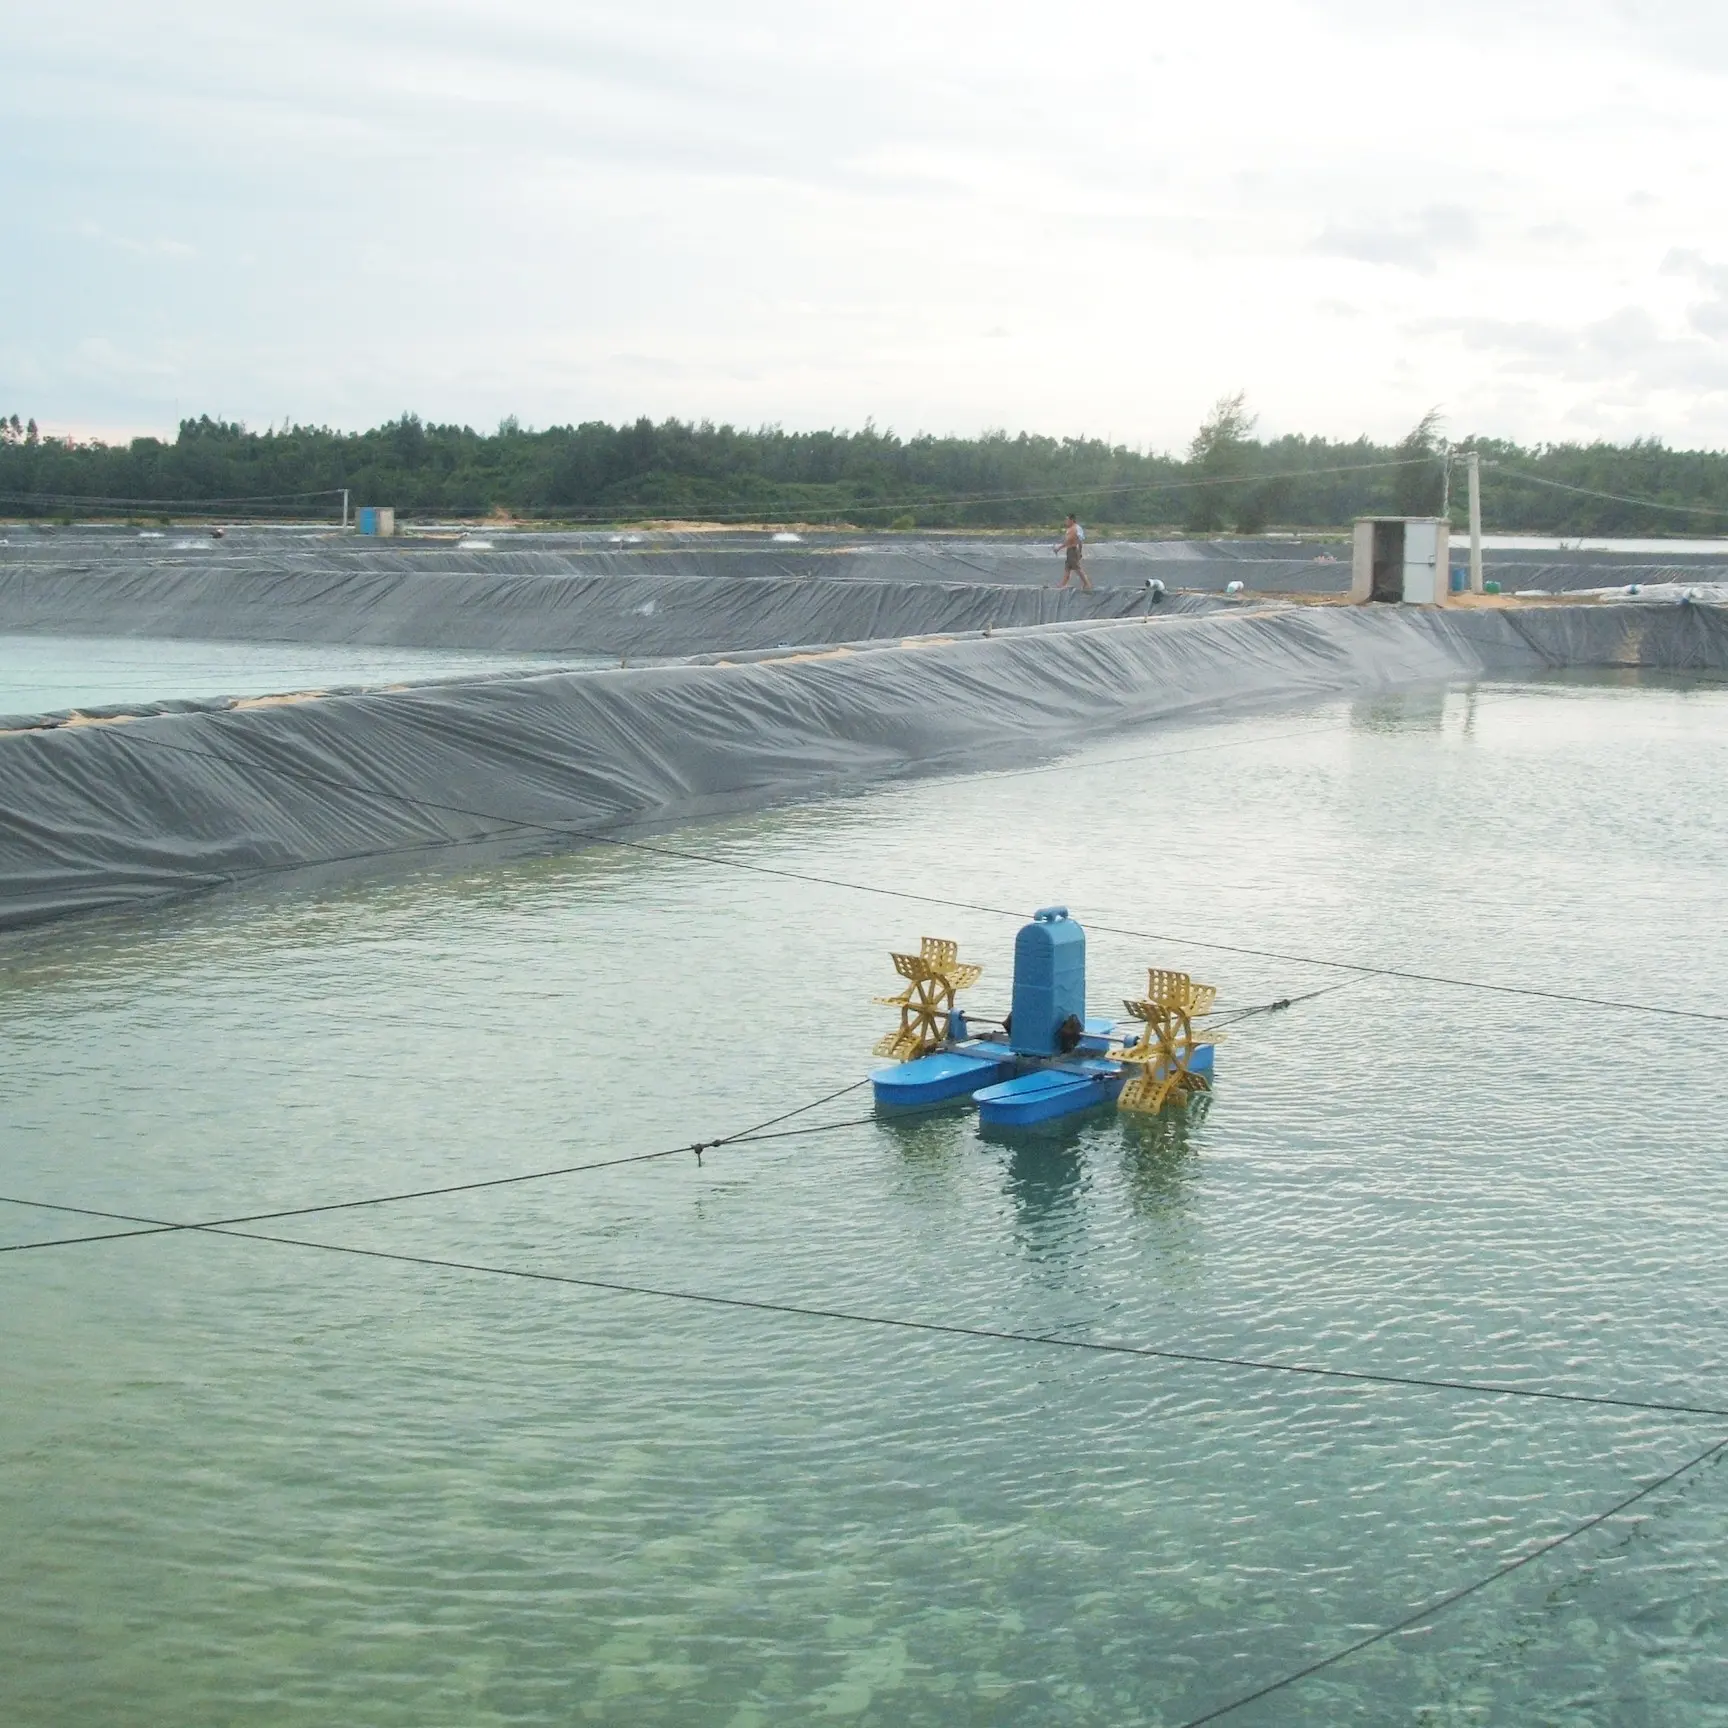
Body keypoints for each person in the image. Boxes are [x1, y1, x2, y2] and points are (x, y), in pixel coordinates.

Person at [1056, 513, 1091, 591]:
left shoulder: (1075, 528)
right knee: (1067, 568)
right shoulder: (1070, 529)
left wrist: (1059, 548)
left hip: (1073, 550)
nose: (1066, 521)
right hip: (1069, 550)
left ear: (1071, 520)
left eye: (1067, 520)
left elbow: (1076, 540)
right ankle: (1063, 584)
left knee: (1077, 568)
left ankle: (1087, 584)